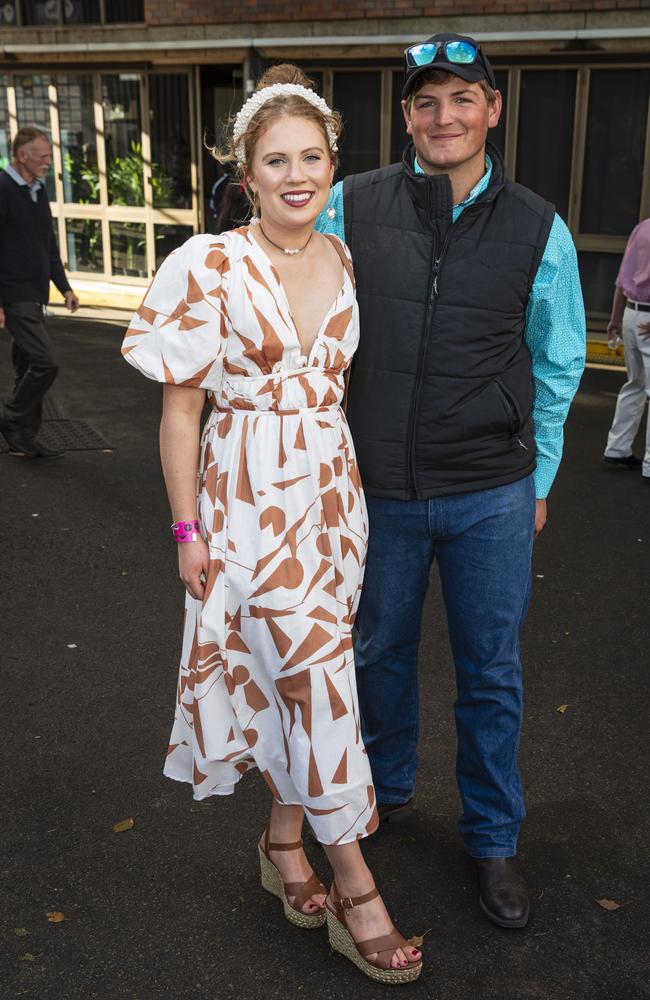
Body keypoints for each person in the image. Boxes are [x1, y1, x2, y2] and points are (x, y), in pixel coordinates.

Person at [121, 65, 422, 984]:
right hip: (244, 500)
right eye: (276, 160)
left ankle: (283, 843)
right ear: (244, 173)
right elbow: (180, 413)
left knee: (299, 678)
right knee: (317, 682)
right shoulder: (206, 264)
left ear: (333, 165)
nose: (298, 175)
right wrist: (186, 533)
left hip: (332, 498)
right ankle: (357, 887)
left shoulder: (344, 255)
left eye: (314, 158)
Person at [316, 32, 586, 928]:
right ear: (405, 116)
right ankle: (384, 792)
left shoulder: (539, 225)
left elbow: (560, 360)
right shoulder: (348, 205)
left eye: (462, 99)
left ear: (492, 110)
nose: (444, 117)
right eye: (426, 102)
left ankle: (494, 837)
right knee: (376, 655)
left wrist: (537, 475)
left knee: (492, 674)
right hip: (379, 490)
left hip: (490, 494)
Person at [0, 126, 79, 459]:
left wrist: (64, 287)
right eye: (43, 156)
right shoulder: (2, 189)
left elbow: (48, 245)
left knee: (27, 365)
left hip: (35, 293)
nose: (49, 162)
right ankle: (11, 418)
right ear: (22, 156)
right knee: (47, 362)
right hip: (13, 293)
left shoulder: (36, 191)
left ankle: (23, 438)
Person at [603, 218, 650, 482]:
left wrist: (615, 319)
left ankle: (617, 448)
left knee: (635, 384)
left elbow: (622, 278)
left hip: (632, 314)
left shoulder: (642, 228)